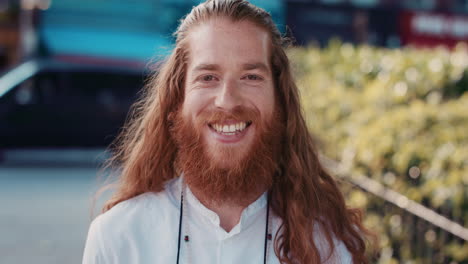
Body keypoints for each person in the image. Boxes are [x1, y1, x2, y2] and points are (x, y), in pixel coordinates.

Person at [82, 0, 371, 263]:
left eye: (251, 77)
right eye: (208, 77)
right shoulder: (119, 238)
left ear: (281, 102)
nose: (228, 100)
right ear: (176, 102)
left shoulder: (326, 245)